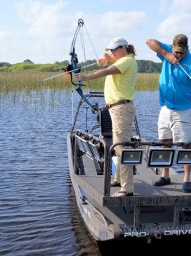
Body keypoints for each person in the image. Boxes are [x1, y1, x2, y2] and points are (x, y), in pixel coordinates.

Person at [146, 34, 191, 193]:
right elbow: (150, 42)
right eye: (176, 52)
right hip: (165, 108)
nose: (178, 55)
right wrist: (166, 54)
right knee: (165, 142)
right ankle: (165, 175)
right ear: (172, 47)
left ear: (187, 49)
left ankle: (186, 179)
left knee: (185, 145)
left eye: (181, 53)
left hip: (183, 110)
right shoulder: (167, 51)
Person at [76, 37, 138, 197]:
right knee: (117, 146)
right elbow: (106, 62)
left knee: (122, 148)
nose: (111, 52)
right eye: (110, 50)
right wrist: (104, 58)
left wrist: (87, 77)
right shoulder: (122, 60)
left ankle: (127, 188)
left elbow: (106, 71)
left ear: (123, 48)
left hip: (121, 109)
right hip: (117, 109)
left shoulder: (126, 61)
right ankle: (118, 179)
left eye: (113, 50)